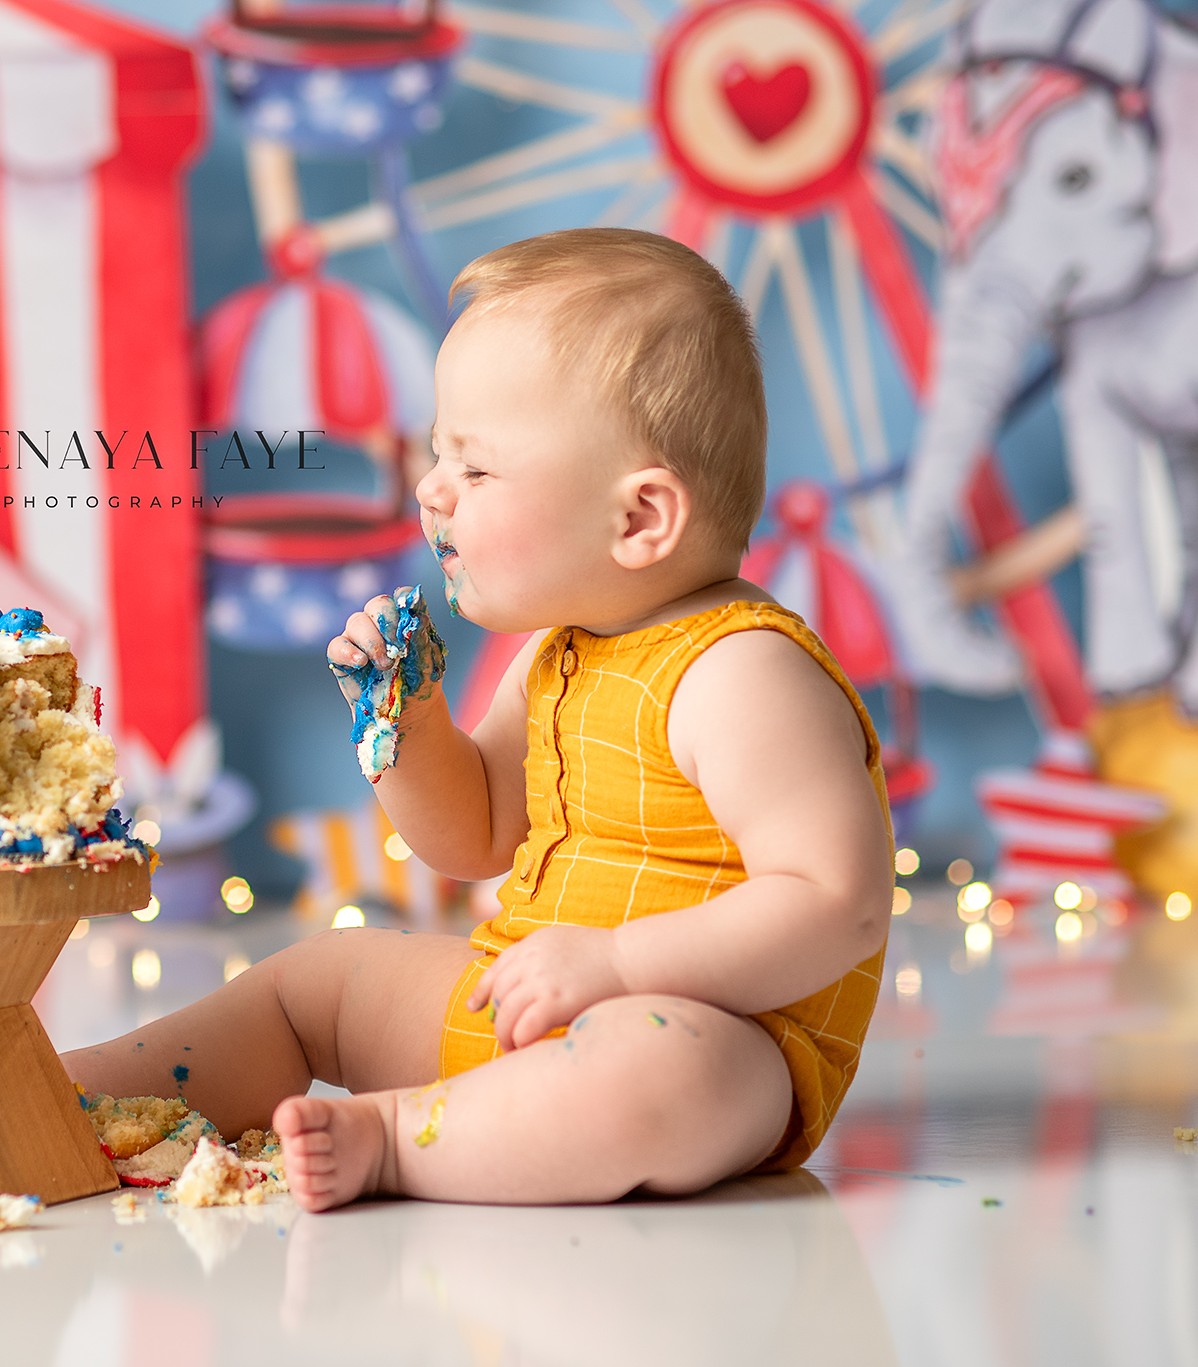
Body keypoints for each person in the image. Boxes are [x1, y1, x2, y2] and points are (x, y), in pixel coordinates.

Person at [63, 228, 894, 1210]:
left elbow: (835, 900)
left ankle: (397, 1144)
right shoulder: (557, 653)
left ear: (638, 519)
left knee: (652, 1068)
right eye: (435, 456)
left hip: (719, 1039)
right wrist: (407, 732)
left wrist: (618, 964)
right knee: (316, 980)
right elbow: (471, 834)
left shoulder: (742, 669)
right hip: (524, 998)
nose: (430, 490)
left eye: (476, 469)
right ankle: (75, 1094)